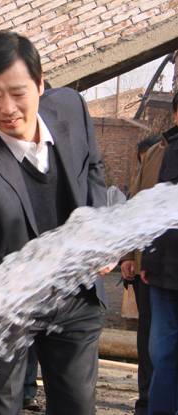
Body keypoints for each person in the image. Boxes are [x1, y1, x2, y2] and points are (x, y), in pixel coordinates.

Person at [0, 31, 107, 415]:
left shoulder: (71, 108)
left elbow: (93, 167)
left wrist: (100, 228)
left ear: (40, 84)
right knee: (0, 406)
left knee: (77, 406)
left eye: (18, 93)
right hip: (6, 305)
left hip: (72, 292)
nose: (8, 108)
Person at [120, 134, 168, 415]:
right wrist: (128, 255)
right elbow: (135, 207)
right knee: (152, 337)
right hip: (150, 267)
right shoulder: (156, 154)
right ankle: (147, 400)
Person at [140, 91, 178, 415]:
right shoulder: (163, 151)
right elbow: (147, 207)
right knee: (163, 353)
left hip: (163, 269)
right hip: (164, 273)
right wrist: (141, 259)